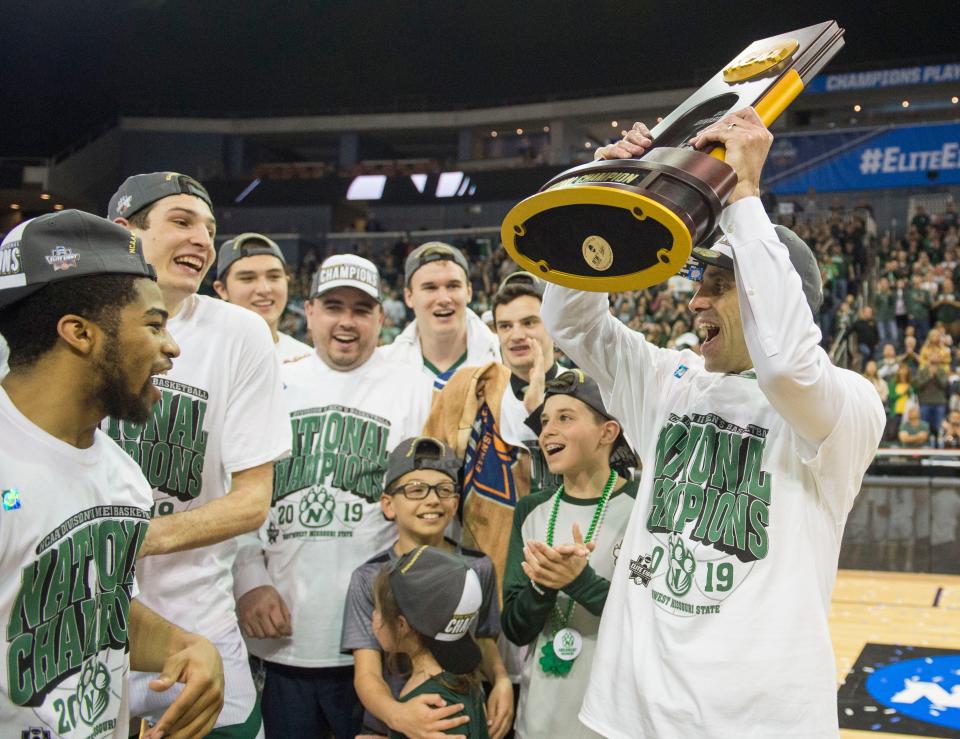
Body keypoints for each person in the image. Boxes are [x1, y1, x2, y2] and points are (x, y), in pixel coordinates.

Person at [543, 109, 885, 738]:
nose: (697, 297)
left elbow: (787, 370)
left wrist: (743, 197)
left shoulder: (848, 407)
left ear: (776, 295)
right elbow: (572, 322)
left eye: (720, 282)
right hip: (631, 715)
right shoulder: (669, 382)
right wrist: (606, 201)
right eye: (699, 279)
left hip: (754, 724)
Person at [0, 211, 224, 739]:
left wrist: (184, 646)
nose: (171, 348)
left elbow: (93, 604)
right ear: (80, 333)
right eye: (153, 324)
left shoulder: (123, 473)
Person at [106, 172, 292, 736]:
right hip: (79, 622)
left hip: (199, 622)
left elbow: (251, 502)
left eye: (209, 229)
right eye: (181, 222)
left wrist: (129, 534)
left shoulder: (241, 333)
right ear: (125, 234)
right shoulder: (72, 323)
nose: (203, 241)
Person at [233, 255, 435, 738]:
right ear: (309, 311)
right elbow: (235, 489)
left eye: (361, 309)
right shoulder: (272, 384)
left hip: (373, 645)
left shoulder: (416, 390)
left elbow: (430, 513)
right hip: (279, 639)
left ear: (381, 318)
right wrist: (249, 578)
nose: (347, 321)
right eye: (334, 306)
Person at [344, 436, 513, 739]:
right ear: (388, 504)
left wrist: (500, 680)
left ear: (456, 501)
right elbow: (367, 673)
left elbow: (484, 639)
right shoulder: (370, 576)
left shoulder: (477, 567)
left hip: (458, 715)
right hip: (390, 724)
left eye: (444, 490)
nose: (433, 500)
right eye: (416, 489)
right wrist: (397, 717)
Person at [501, 370, 640, 739]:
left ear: (608, 432)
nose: (547, 432)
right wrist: (544, 586)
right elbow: (515, 628)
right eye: (545, 421)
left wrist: (578, 582)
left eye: (565, 418)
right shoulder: (531, 510)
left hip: (616, 725)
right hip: (538, 722)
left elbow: (648, 619)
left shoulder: (645, 505)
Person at [425, 272, 563, 588]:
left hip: (563, 566)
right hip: (481, 572)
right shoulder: (468, 390)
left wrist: (538, 413)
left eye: (530, 322)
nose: (516, 335)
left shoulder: (587, 393)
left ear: (552, 325)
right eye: (505, 326)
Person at [372, 546, 490, 739]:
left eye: (376, 609)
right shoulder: (462, 679)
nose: (373, 617)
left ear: (401, 625)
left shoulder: (432, 708)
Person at [381, 242, 499, 391]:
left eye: (453, 286)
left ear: (469, 291)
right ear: (409, 297)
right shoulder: (384, 366)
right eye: (430, 288)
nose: (444, 299)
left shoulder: (504, 357)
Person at [213, 232, 312, 362]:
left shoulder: (307, 359)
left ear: (287, 281)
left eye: (274, 277)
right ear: (222, 290)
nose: (264, 289)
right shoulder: (201, 356)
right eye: (248, 278)